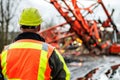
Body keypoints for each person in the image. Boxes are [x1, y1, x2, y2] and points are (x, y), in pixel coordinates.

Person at [0, 7, 70, 80]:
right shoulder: (49, 52)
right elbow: (64, 76)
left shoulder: (5, 52)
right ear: (39, 27)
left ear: (21, 27)